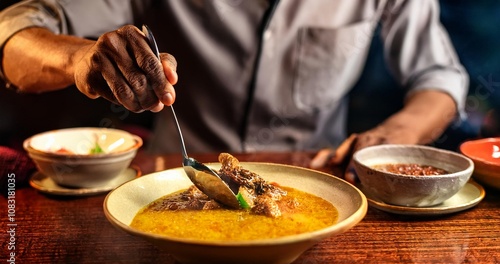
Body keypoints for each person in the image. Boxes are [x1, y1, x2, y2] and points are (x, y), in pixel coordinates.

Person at [0, 0, 468, 183]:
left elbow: (441, 77)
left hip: (318, 178)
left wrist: (386, 139)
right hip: (170, 177)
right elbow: (14, 32)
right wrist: (78, 57)